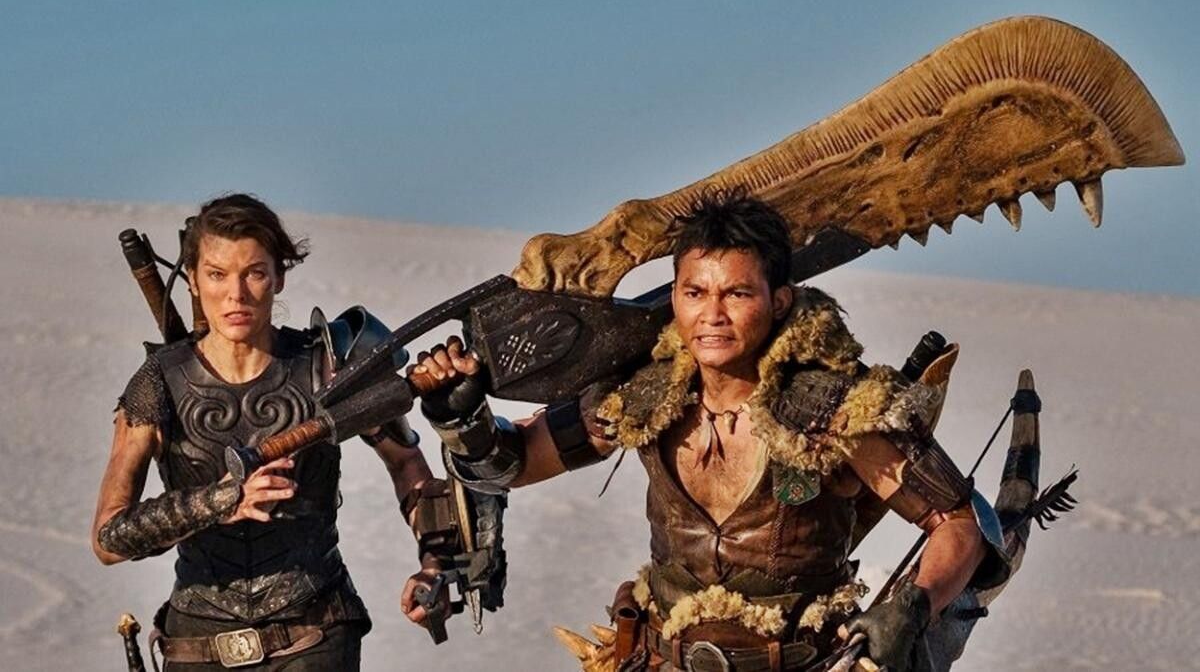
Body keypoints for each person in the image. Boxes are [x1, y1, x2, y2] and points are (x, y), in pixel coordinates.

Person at [404, 188, 1008, 671]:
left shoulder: (834, 410)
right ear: (674, 297)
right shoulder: (644, 398)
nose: (712, 315)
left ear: (778, 301)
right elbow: (513, 465)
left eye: (737, 293)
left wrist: (913, 606)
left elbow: (961, 521)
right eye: (695, 292)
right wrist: (460, 414)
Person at [92, 194, 437, 670]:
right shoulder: (158, 382)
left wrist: (435, 563)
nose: (236, 294)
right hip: (195, 645)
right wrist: (220, 501)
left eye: (254, 273)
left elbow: (407, 462)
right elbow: (108, 538)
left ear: (279, 277)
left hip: (314, 634)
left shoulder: (327, 367)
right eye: (217, 274)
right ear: (192, 279)